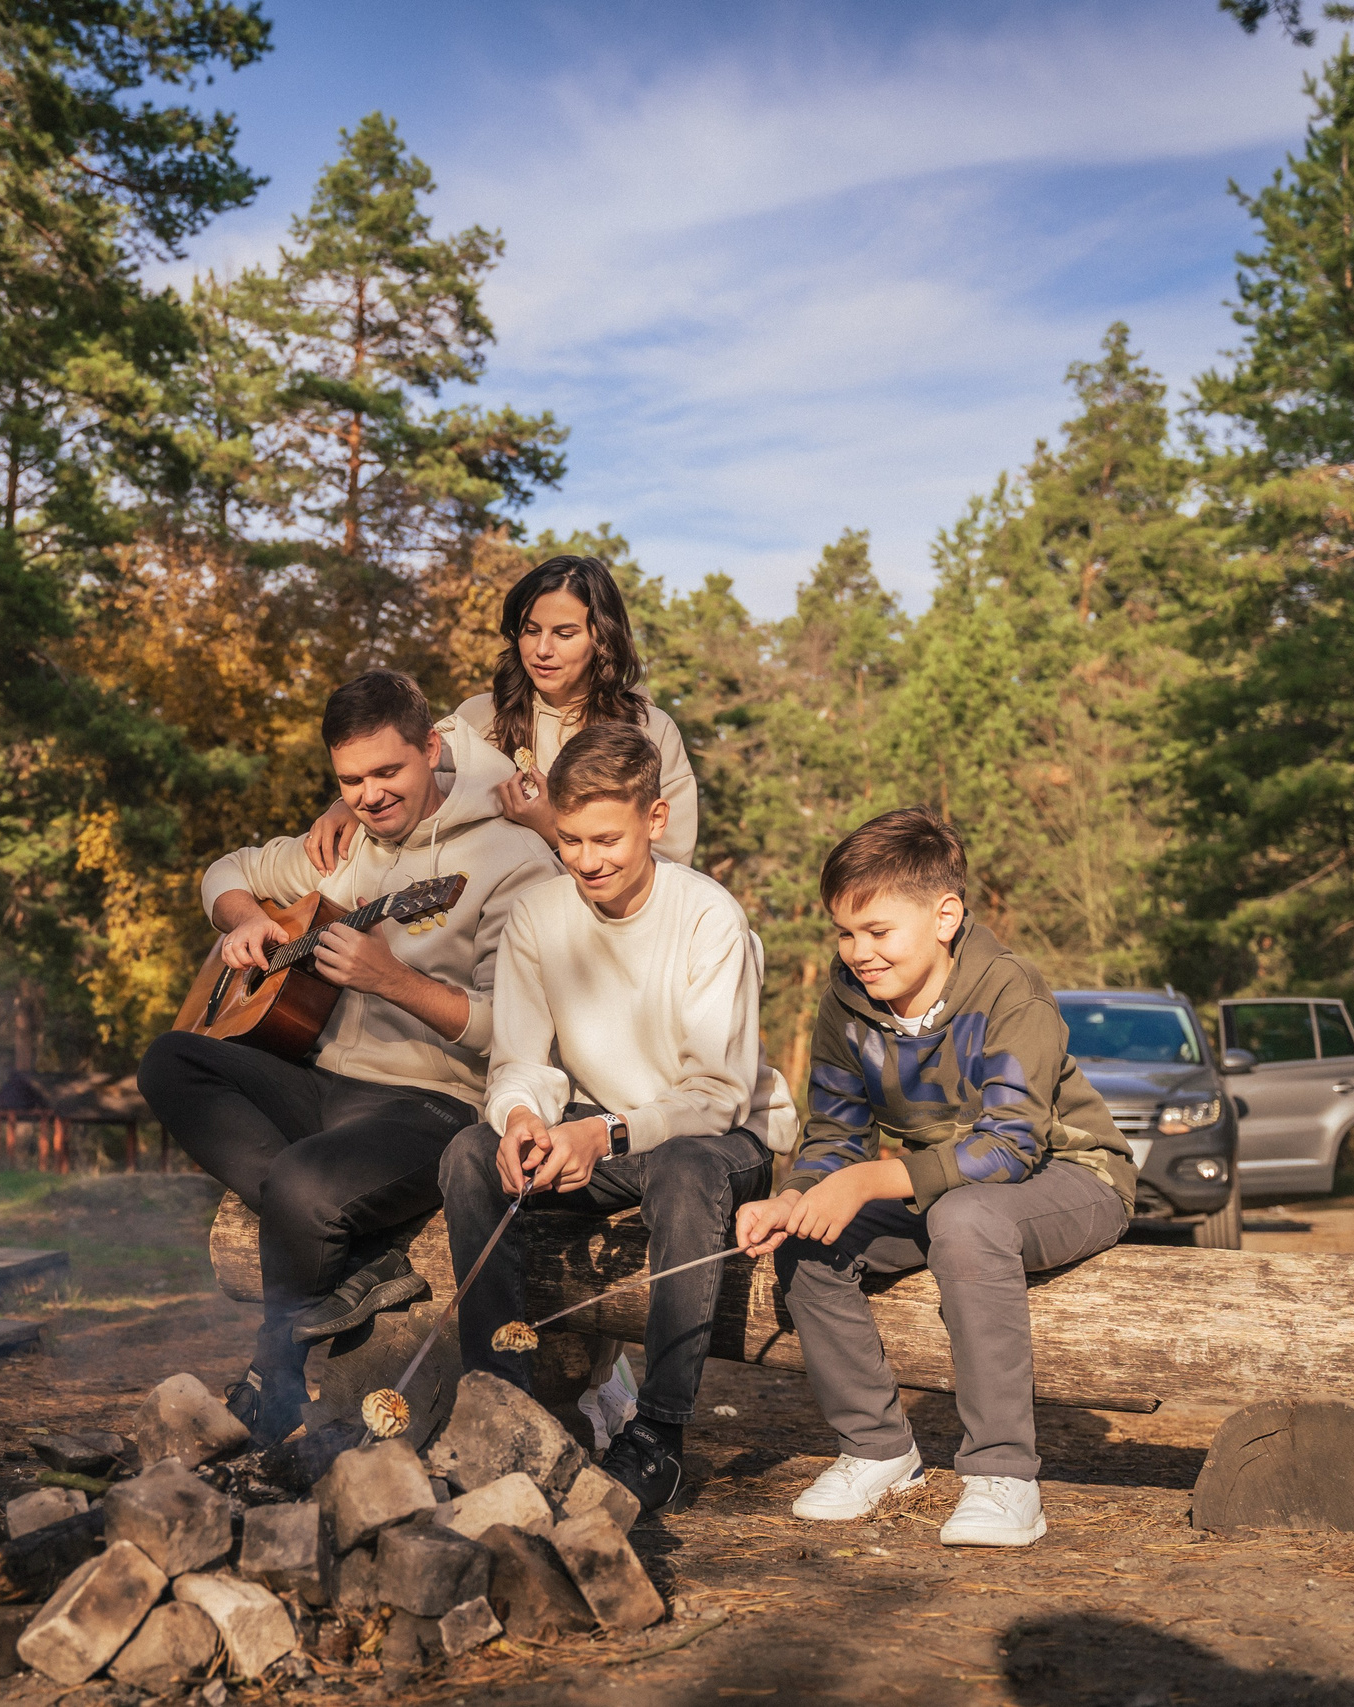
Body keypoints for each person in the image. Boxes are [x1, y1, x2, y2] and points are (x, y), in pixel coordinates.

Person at [138, 669, 563, 1448]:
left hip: (434, 1102)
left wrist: (392, 980)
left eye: (386, 773)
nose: (368, 796)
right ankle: (365, 1255)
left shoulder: (515, 861)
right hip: (323, 1080)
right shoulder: (343, 845)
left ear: (431, 747)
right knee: (171, 1060)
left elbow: (516, 1028)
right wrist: (241, 925)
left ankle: (273, 1378)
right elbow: (226, 872)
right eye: (349, 780)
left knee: (301, 1180)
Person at [735, 806, 1135, 1548]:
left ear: (945, 915)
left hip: (1069, 1174)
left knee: (968, 1219)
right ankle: (878, 1448)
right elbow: (833, 1133)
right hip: (947, 1187)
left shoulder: (1011, 989)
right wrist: (796, 1195)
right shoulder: (847, 1002)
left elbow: (1012, 1146)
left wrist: (867, 1181)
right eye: (845, 933)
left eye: (878, 931)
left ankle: (1004, 1473)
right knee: (808, 1239)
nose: (858, 951)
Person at [438, 721, 796, 1516]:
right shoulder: (537, 919)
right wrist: (525, 1117)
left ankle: (659, 1434)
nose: (587, 859)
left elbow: (716, 1093)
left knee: (685, 1164)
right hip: (605, 1131)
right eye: (569, 839)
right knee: (468, 1150)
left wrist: (603, 1132)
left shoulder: (709, 916)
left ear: (655, 821)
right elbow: (520, 1060)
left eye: (607, 838)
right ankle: (502, 1408)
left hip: (722, 1136)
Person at [304, 554, 699, 871]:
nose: (543, 650)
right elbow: (396, 773)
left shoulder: (649, 731)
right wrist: (347, 808)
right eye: (531, 630)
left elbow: (672, 866)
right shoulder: (477, 719)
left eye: (564, 634)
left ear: (602, 638)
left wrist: (553, 830)